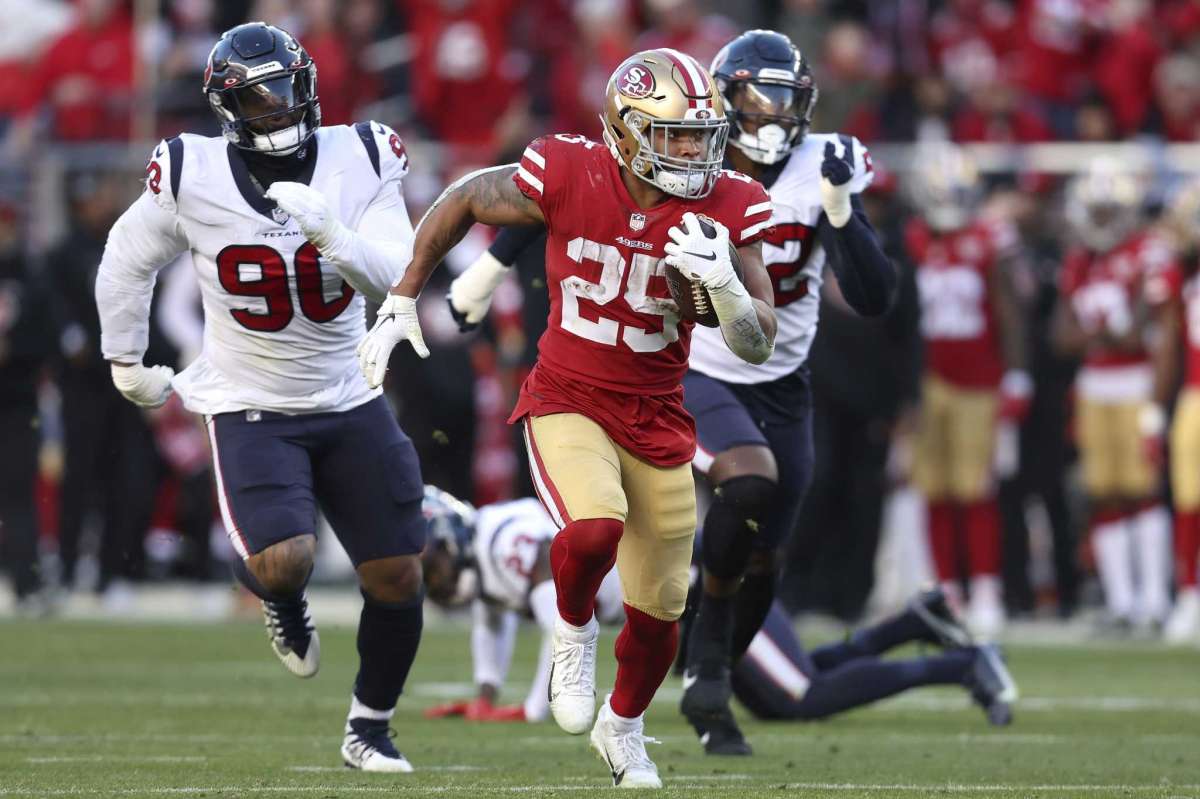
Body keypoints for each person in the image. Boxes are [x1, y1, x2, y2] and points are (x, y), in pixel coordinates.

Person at [356, 48, 779, 789]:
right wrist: (403, 294)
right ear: (624, 130)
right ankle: (573, 627)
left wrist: (726, 290)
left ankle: (624, 727)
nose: (691, 150)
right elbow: (462, 197)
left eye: (700, 135)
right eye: (673, 135)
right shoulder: (569, 171)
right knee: (593, 527)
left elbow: (757, 336)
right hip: (568, 394)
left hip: (658, 412)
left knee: (660, 609)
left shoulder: (728, 203)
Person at [95, 22, 426, 772]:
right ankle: (283, 605)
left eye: (283, 90)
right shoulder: (192, 170)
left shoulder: (363, 152)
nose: (276, 109)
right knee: (284, 560)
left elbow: (400, 277)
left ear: (309, 84)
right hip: (250, 399)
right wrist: (124, 358)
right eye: (256, 98)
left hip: (347, 392)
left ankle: (369, 728)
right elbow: (126, 259)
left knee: (399, 570)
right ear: (225, 108)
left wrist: (336, 235)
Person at [677, 30, 895, 756]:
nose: (771, 118)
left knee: (767, 559)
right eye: (756, 100)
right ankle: (701, 664)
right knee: (747, 481)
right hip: (698, 366)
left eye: (785, 102)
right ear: (724, 99)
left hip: (784, 381)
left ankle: (709, 671)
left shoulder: (823, 166)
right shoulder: (689, 155)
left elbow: (873, 295)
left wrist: (837, 210)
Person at [905, 143, 1030, 639]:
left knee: (977, 490)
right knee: (934, 489)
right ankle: (946, 589)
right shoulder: (913, 238)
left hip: (979, 379)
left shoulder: (989, 237)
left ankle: (985, 589)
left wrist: (1017, 373)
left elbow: (1009, 309)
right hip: (928, 379)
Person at [1051, 162, 1174, 635]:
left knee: (1143, 490)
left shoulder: (1147, 252)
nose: (1101, 221)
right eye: (1096, 211)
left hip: (1136, 383)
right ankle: (1123, 602)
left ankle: (1153, 601)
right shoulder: (1078, 258)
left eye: (1109, 211)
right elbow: (1063, 338)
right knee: (1104, 494)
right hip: (1094, 387)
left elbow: (1147, 332)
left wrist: (1154, 406)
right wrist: (1104, 335)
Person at [418, 486, 625, 723]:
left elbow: (562, 627)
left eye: (432, 570)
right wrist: (485, 699)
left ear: (449, 540)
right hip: (626, 601)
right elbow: (491, 621)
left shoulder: (504, 543)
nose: (434, 584)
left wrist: (534, 709)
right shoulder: (484, 550)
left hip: (639, 586)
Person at [722, 589, 1017, 726]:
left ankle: (965, 665)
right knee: (774, 701)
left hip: (720, 593)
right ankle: (911, 625)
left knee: (801, 695)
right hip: (707, 594)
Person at [1149, 179, 1200, 643]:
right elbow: (1168, 340)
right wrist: (1155, 407)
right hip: (1195, 394)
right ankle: (1189, 595)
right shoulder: (1184, 274)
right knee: (1188, 500)